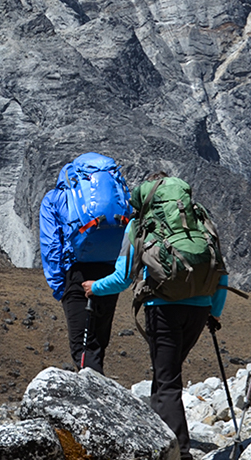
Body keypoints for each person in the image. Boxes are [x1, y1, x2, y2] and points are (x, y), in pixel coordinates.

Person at [82, 173, 228, 459]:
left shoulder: (141, 225)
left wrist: (94, 287)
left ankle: (181, 452)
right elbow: (220, 270)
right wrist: (215, 311)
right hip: (199, 309)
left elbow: (124, 278)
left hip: (163, 308)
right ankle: (158, 439)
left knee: (168, 380)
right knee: (165, 376)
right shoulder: (198, 220)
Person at [39, 153, 129, 373]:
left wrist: (61, 288)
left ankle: (92, 400)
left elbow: (51, 245)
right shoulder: (118, 196)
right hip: (109, 271)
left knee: (81, 347)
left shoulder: (55, 198)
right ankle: (99, 391)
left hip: (77, 273)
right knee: (98, 343)